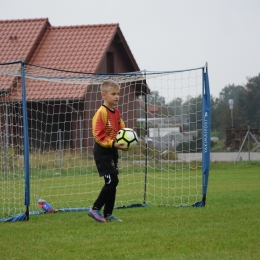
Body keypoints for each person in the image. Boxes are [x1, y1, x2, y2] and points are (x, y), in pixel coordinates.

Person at [88, 80, 128, 223]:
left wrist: (128, 139)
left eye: (118, 94)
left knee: (113, 182)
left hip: (112, 151)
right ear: (104, 95)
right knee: (112, 181)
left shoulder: (116, 112)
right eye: (113, 94)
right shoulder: (100, 113)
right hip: (102, 151)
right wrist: (114, 144)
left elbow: (121, 128)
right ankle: (94, 209)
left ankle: (108, 214)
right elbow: (98, 136)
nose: (117, 97)